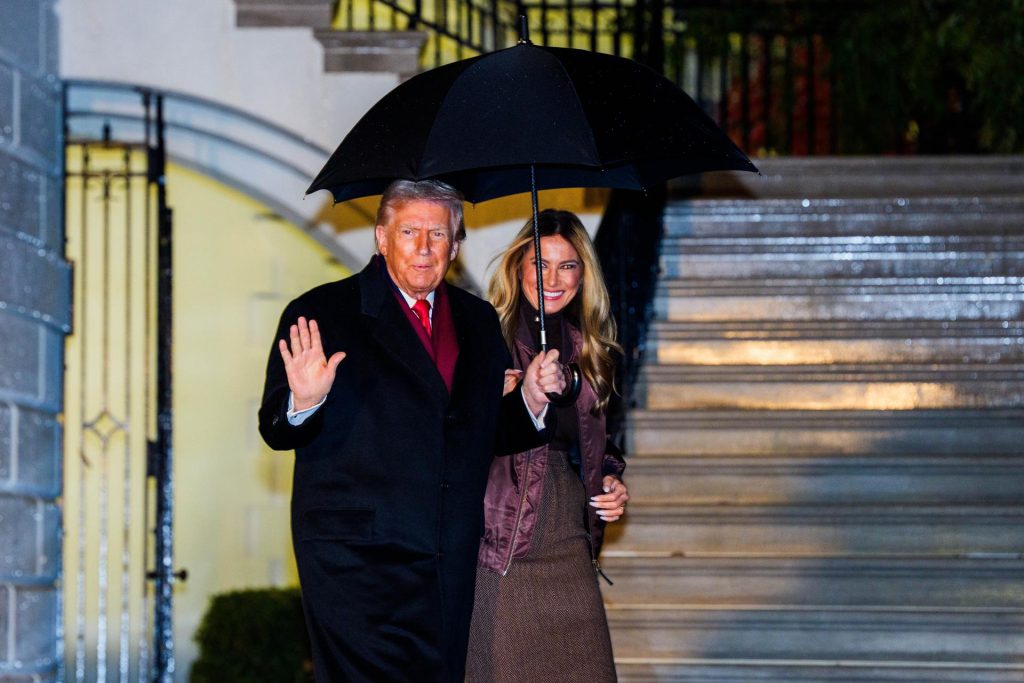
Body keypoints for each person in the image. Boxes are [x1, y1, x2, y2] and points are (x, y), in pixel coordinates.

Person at [258, 180, 566, 683]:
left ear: (456, 244)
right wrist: (304, 402)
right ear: (382, 238)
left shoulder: (478, 320)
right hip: (355, 562)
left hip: (446, 556)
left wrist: (529, 399)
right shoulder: (322, 313)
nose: (424, 248)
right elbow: (275, 428)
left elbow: (481, 436)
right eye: (409, 231)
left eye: (438, 234)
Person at [466, 209, 630, 682]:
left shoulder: (593, 349)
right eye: (540, 264)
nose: (552, 278)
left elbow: (598, 439)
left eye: (567, 265)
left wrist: (613, 479)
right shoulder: (486, 336)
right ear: (518, 267)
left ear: (584, 275)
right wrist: (524, 396)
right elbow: (469, 436)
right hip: (504, 538)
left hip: (569, 537)